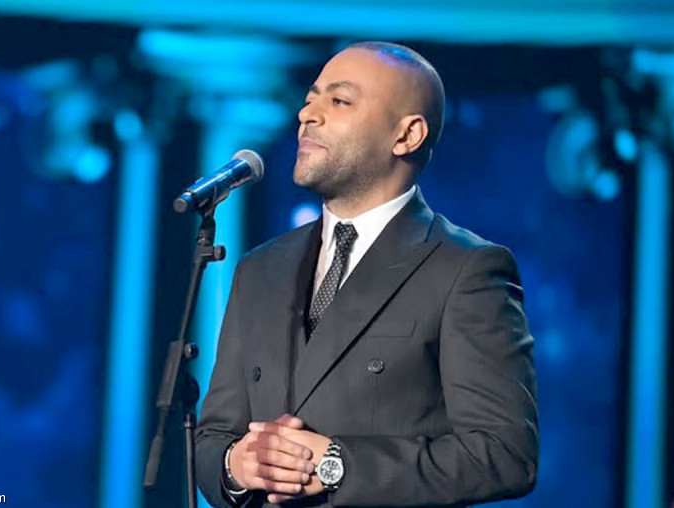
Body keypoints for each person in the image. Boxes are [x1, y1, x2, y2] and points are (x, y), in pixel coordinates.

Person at [195, 41, 538, 507]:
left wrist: (337, 465)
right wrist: (237, 465)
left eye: (339, 101)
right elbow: (215, 435)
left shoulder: (465, 269)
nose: (307, 115)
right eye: (310, 99)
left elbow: (504, 455)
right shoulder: (260, 268)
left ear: (407, 135)